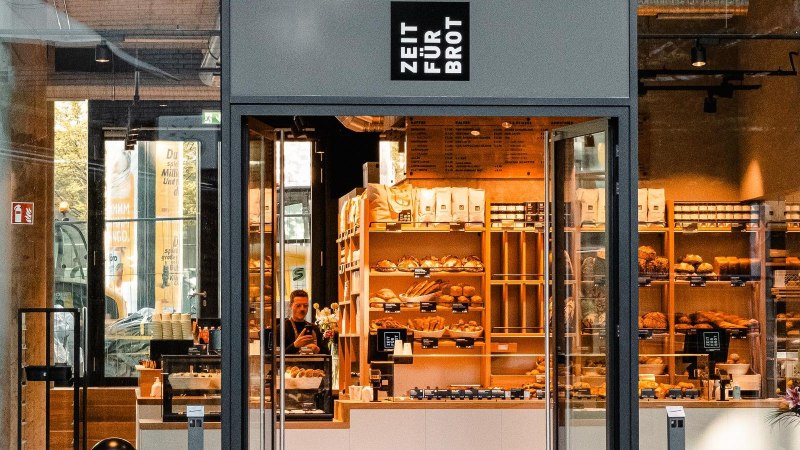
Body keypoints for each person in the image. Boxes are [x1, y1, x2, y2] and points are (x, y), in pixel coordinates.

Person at [282, 289, 325, 354]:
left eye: (305, 305)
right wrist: (295, 345)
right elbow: (276, 357)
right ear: (290, 305)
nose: (302, 309)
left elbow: (326, 355)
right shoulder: (281, 329)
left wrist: (317, 349)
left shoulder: (314, 328)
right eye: (298, 305)